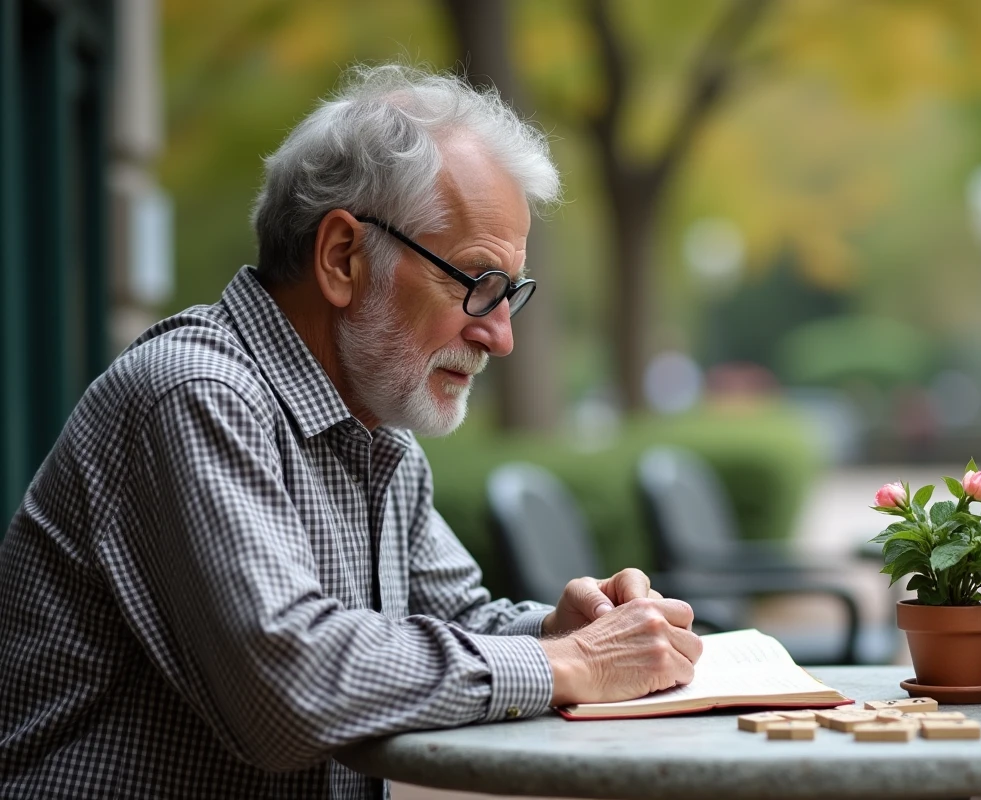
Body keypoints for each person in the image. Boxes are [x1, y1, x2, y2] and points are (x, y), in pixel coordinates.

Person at [0, 64, 702, 799]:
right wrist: (573, 666)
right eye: (476, 282)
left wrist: (560, 630)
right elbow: (290, 684)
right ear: (342, 259)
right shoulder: (195, 393)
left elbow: (456, 617)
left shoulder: (377, 433)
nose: (501, 337)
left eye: (510, 295)